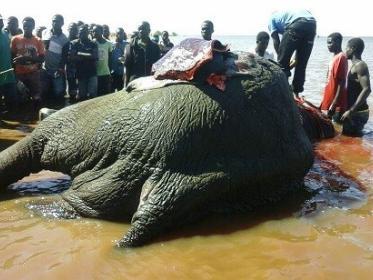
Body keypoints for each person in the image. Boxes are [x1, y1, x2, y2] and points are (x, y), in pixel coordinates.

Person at [268, 10, 316, 97]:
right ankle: (296, 92)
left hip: (297, 24)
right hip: (312, 24)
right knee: (302, 63)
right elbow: (295, 45)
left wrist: (282, 58)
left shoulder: (271, 19)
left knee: (282, 64)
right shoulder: (286, 16)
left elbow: (276, 40)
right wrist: (292, 59)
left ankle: (283, 92)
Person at [11, 17, 45, 112]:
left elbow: (42, 59)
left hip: (33, 74)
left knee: (37, 98)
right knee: (21, 98)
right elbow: (12, 56)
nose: (26, 27)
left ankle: (36, 121)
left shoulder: (38, 41)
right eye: (25, 25)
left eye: (29, 26)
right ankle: (23, 122)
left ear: (33, 26)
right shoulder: (15, 39)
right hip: (19, 74)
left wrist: (26, 59)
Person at [340, 38, 371, 136]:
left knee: (351, 140)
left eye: (347, 48)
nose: (346, 51)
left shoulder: (360, 65)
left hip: (357, 112)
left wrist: (351, 110)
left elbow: (367, 89)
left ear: (352, 48)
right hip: (354, 112)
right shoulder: (354, 65)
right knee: (350, 141)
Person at [319, 33, 348, 121]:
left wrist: (334, 103)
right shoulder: (334, 57)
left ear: (338, 42)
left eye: (330, 43)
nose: (328, 45)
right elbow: (329, 82)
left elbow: (341, 82)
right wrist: (323, 101)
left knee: (336, 129)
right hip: (331, 102)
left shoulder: (341, 58)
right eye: (327, 43)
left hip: (337, 105)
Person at [42, 14, 69, 106]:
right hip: (45, 68)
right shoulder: (45, 32)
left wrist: (60, 69)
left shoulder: (65, 39)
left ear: (62, 23)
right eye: (53, 21)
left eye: (57, 21)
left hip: (57, 70)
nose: (55, 23)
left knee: (58, 93)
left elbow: (64, 56)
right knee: (45, 91)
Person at [69, 24, 98, 101]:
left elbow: (95, 56)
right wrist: (88, 55)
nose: (82, 34)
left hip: (92, 73)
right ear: (78, 33)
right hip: (80, 74)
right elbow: (72, 57)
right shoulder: (74, 44)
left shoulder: (93, 44)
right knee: (82, 96)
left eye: (84, 32)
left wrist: (80, 53)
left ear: (87, 33)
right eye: (81, 32)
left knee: (92, 95)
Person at [0, 14, 17, 116]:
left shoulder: (6, 34)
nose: (1, 22)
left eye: (2, 20)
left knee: (12, 102)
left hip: (9, 73)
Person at [93, 24, 113, 96]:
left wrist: (110, 73)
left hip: (106, 73)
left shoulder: (109, 44)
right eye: (93, 31)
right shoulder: (93, 43)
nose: (94, 33)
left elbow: (110, 60)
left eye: (96, 31)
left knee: (106, 95)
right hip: (95, 74)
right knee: (97, 95)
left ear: (101, 32)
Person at [66, 22, 79, 100]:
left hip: (79, 68)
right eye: (71, 29)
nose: (73, 31)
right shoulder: (65, 41)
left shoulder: (80, 41)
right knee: (71, 90)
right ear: (68, 30)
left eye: (75, 29)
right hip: (69, 68)